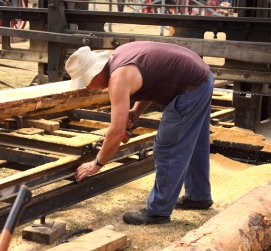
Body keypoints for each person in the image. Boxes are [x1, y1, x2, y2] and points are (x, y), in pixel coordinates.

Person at [65, 41, 214, 225]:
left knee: (167, 148)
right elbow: (153, 84)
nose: (88, 88)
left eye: (87, 82)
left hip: (192, 87)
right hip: (202, 78)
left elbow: (116, 131)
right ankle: (199, 196)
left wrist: (97, 163)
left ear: (95, 73)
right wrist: (135, 113)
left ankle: (158, 212)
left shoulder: (117, 80)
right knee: (195, 141)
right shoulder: (121, 57)